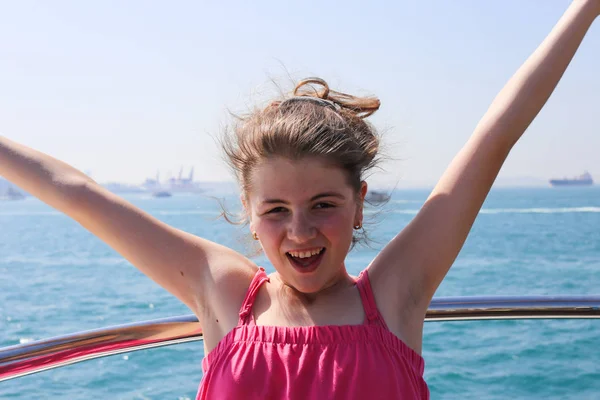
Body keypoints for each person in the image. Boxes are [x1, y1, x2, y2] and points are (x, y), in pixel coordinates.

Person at [1, 1, 599, 398]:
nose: (301, 232)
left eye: (323, 205)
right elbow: (75, 192)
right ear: (248, 209)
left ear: (359, 203)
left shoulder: (395, 294)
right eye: (276, 211)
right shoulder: (222, 290)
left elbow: (494, 138)